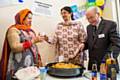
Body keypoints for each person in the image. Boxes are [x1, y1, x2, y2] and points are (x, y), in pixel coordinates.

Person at [0, 9, 44, 80]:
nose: (31, 20)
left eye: (31, 18)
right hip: (18, 67)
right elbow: (14, 47)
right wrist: (33, 41)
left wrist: (38, 58)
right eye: (29, 18)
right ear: (22, 18)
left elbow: (33, 46)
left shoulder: (30, 31)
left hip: (30, 67)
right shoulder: (13, 30)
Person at [85, 6, 120, 72]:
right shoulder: (88, 27)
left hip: (107, 65)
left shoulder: (110, 25)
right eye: (88, 19)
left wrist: (106, 61)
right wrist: (83, 45)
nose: (90, 21)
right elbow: (90, 42)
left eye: (91, 17)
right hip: (93, 65)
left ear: (98, 14)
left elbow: (117, 45)